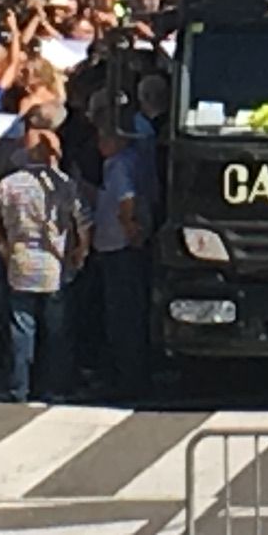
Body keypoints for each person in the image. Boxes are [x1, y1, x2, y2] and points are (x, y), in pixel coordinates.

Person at [0, 126, 88, 403]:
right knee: (57, 332)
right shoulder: (64, 184)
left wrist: (5, 250)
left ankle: (19, 387)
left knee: (21, 328)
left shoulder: (8, 184)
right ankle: (55, 387)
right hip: (55, 264)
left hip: (20, 261)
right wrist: (81, 251)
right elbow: (83, 220)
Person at [91, 126, 154, 399]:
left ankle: (127, 380)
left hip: (120, 247)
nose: (99, 143)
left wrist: (131, 232)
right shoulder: (131, 160)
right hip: (118, 246)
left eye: (103, 137)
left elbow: (126, 201)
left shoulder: (119, 165)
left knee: (122, 317)